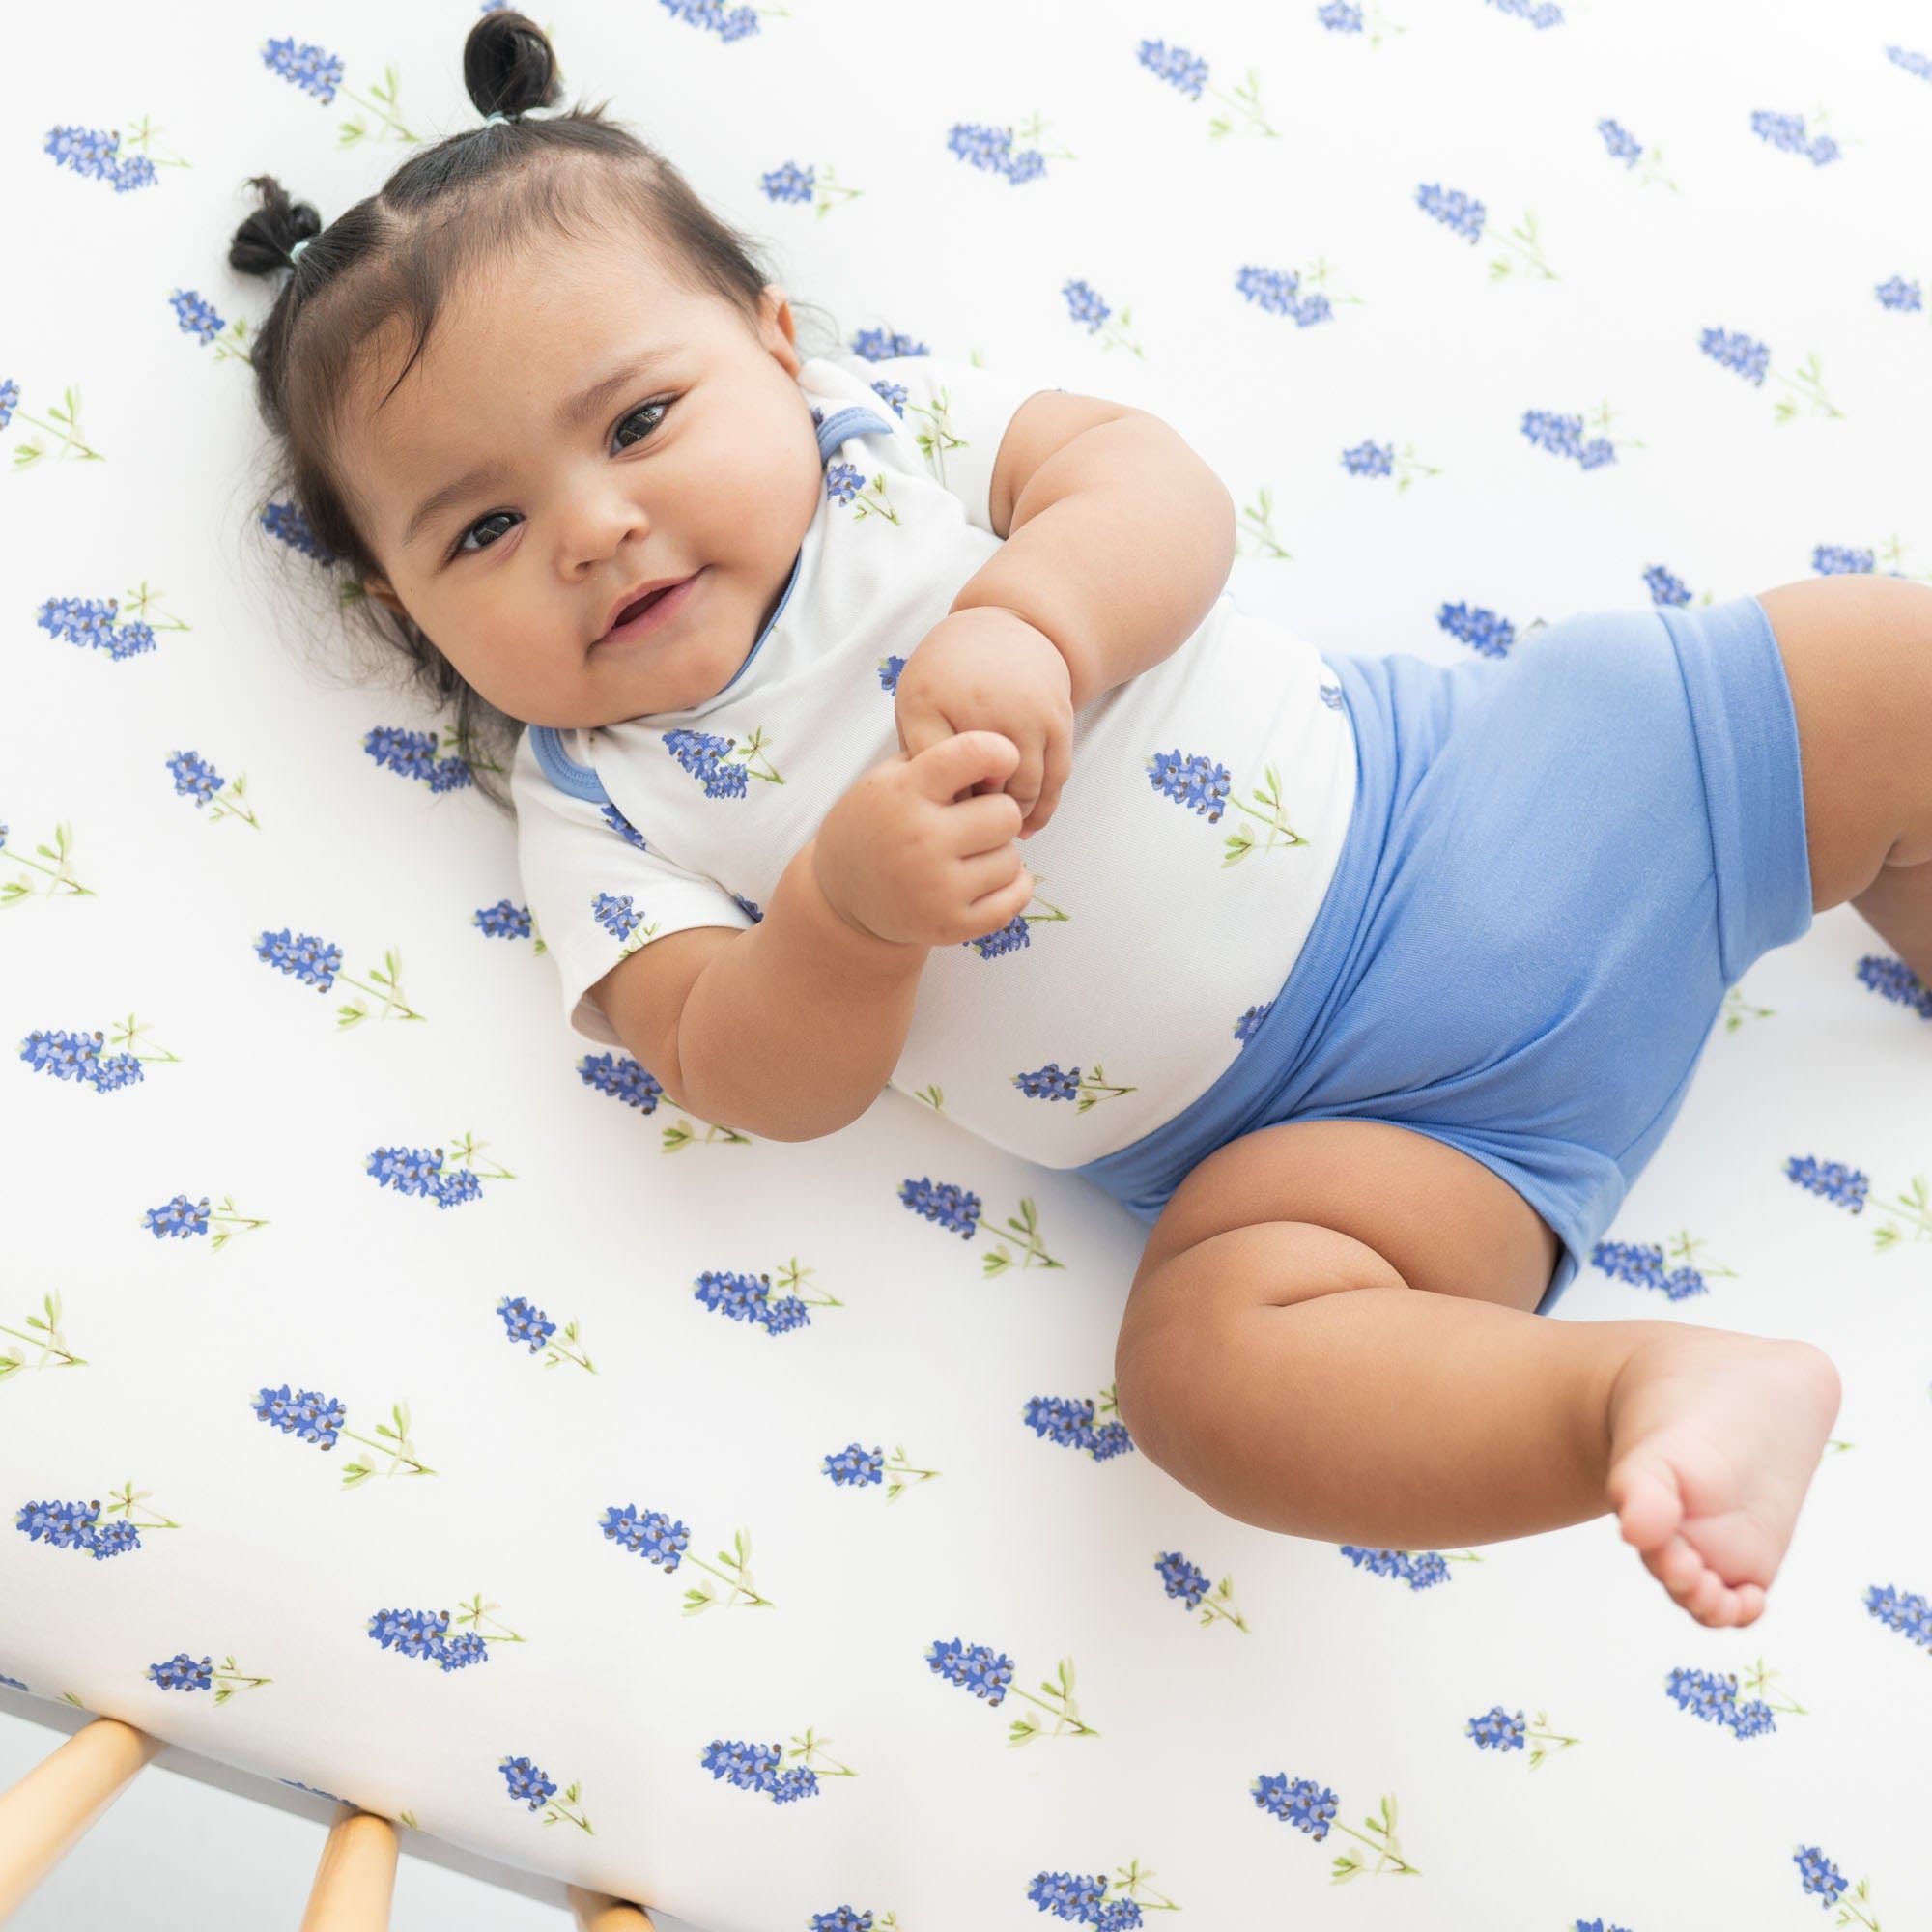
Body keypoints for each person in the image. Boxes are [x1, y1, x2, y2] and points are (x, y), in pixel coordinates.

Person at [234, 9, 1932, 1633]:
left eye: (640, 421)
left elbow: (1155, 482)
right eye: (480, 533)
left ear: (776, 345)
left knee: (1881, 667)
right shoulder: (597, 806)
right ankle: (1649, 1397)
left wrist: (1036, 617)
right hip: (1342, 1167)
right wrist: (842, 924)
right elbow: (745, 1077)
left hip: (1506, 804)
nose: (595, 526)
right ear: (400, 612)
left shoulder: (887, 450)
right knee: (1209, 1385)